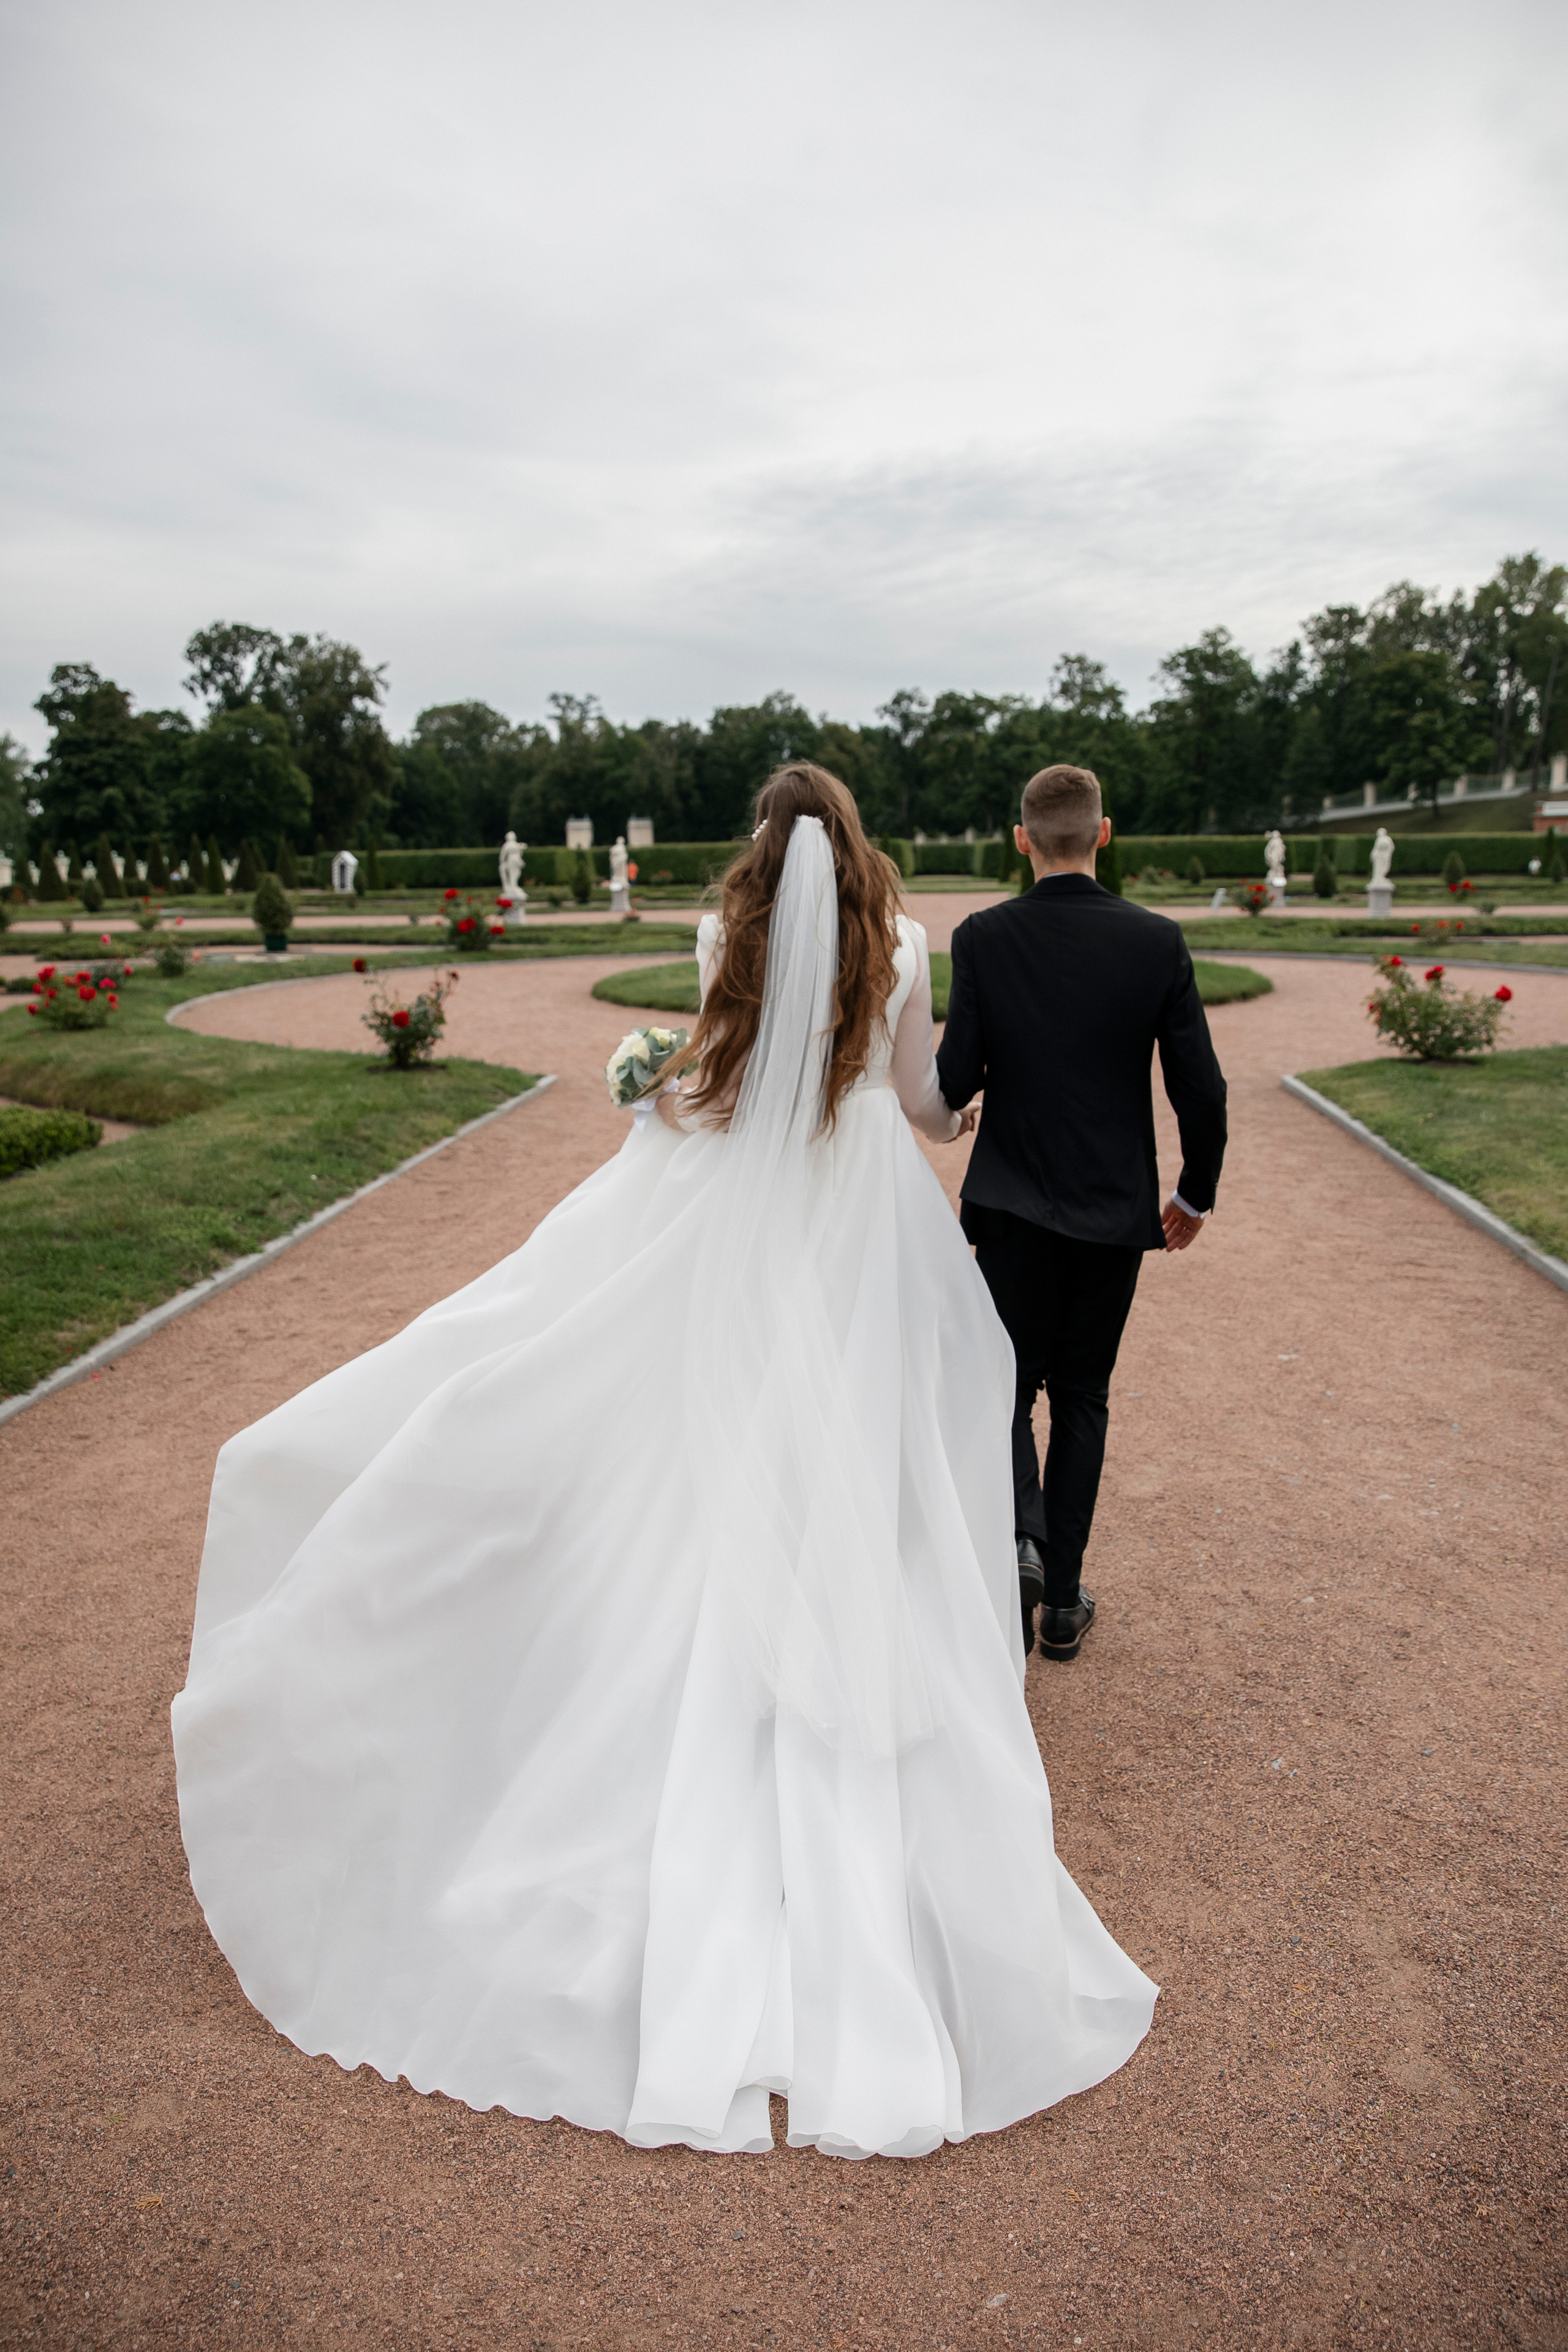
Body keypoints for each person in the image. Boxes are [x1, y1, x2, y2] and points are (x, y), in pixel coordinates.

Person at [172, 763, 1157, 2162]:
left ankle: (712, 1647)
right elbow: (918, 1102)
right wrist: (962, 1119)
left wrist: (652, 1082)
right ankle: (850, 1652)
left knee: (709, 1435)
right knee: (866, 1440)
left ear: (762, 843)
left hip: (748, 1216)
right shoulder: (903, 939)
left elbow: (719, 1088)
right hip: (862, 1220)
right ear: (854, 840)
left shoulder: (721, 933)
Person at [938, 764, 1228, 1664]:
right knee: (1083, 1397)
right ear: (1105, 834)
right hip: (1112, 1208)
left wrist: (979, 1090)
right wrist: (1194, 1192)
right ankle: (1062, 1602)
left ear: (1019, 840)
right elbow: (1202, 1090)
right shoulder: (1157, 941)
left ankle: (1021, 1539)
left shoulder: (983, 938)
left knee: (1006, 1387)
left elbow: (955, 1078)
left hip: (1011, 1205)